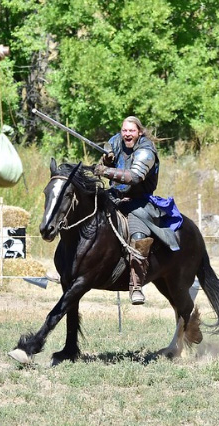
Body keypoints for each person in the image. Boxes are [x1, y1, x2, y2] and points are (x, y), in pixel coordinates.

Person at [94, 116, 159, 305]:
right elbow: (103, 162)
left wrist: (105, 171)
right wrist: (106, 159)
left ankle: (136, 286)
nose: (127, 134)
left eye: (131, 131)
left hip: (138, 202)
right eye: (124, 130)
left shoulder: (146, 150)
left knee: (139, 237)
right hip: (113, 196)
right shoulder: (115, 141)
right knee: (86, 217)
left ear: (139, 132)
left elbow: (135, 176)